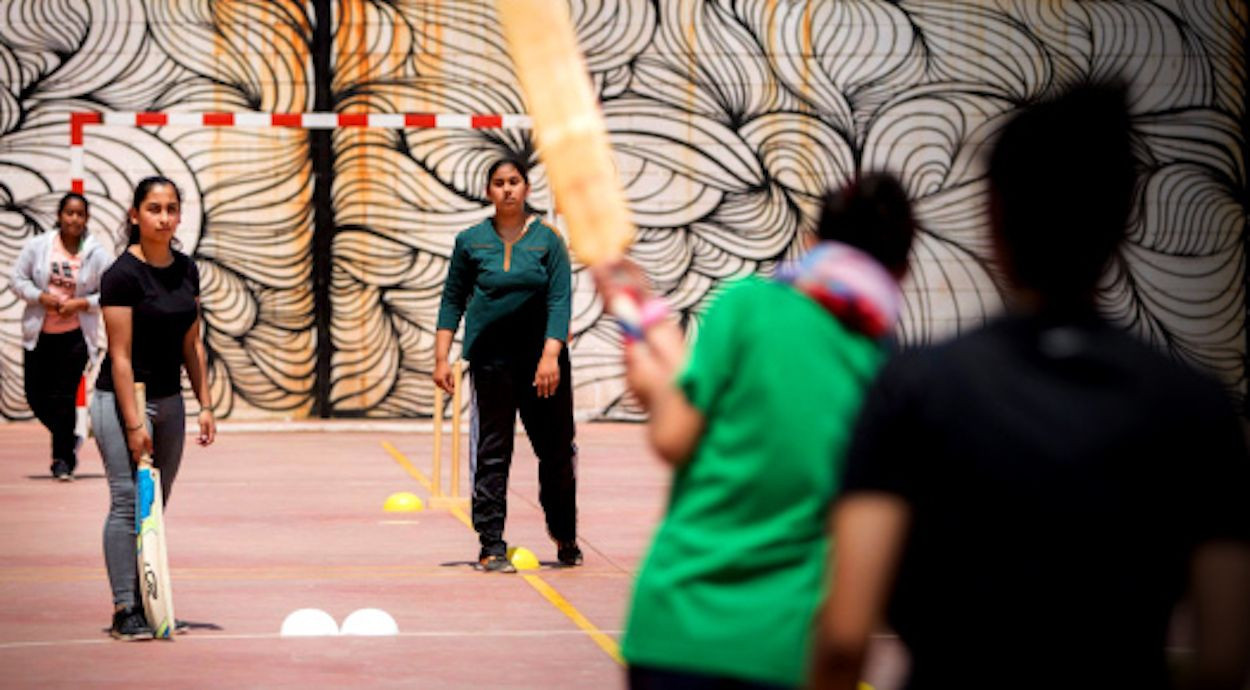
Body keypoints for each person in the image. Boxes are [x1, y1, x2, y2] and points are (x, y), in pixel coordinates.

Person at [812, 83, 1250, 690]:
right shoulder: (1197, 410)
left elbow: (842, 638)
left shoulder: (916, 386)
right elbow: (1226, 659)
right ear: (1124, 215)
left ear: (993, 215)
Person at [596, 174, 916, 689]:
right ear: (901, 268)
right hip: (783, 650)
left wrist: (641, 358)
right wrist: (648, 314)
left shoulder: (746, 304)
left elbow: (674, 434)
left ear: (812, 242)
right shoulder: (887, 370)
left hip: (674, 629)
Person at [434, 157, 581, 573]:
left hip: (544, 366)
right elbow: (452, 299)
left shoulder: (548, 240)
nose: (507, 189)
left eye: (514, 182)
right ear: (489, 192)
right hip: (491, 362)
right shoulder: (470, 241)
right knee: (492, 452)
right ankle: (491, 544)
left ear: (527, 188)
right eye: (499, 183)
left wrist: (551, 354)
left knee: (555, 452)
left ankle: (564, 532)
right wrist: (441, 356)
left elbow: (559, 299)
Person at [92, 176, 215, 640]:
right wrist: (132, 421)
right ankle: (125, 608)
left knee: (154, 509)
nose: (163, 217)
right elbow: (120, 357)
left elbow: (193, 342)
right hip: (122, 399)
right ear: (135, 215)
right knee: (127, 502)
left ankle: (152, 601)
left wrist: (204, 403)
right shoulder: (121, 275)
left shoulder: (186, 270)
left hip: (169, 398)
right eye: (154, 209)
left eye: (170, 209)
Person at [11, 193, 113, 481]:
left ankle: (62, 461)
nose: (74, 219)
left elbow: (111, 290)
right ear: (59, 215)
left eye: (80, 214)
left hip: (75, 337)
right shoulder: (39, 246)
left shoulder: (96, 254)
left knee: (65, 397)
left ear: (87, 219)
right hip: (39, 335)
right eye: (69, 213)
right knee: (36, 395)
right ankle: (69, 438)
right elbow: (17, 280)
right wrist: (40, 297)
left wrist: (82, 304)